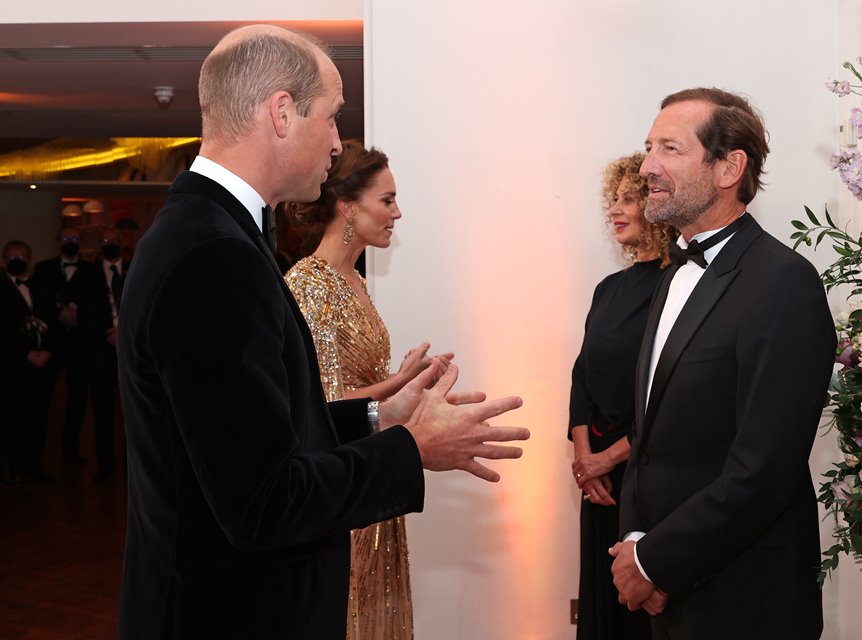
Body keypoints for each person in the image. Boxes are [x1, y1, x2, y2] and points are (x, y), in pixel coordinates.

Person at [116, 24, 528, 640]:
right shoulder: (213, 255)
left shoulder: (212, 232)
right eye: (332, 117)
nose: (338, 143)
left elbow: (248, 437)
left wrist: (376, 422)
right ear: (281, 113)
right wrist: (413, 451)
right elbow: (261, 501)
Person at [609, 88, 836, 640]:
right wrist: (637, 545)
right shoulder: (672, 278)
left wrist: (655, 562)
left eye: (669, 149)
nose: (647, 167)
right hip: (668, 596)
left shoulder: (783, 283)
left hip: (744, 596)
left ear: (729, 167)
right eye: (647, 148)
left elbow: (763, 469)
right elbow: (651, 439)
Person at [284, 140, 445, 639]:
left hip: (374, 465)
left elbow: (355, 386)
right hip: (343, 477)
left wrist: (404, 381)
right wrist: (398, 384)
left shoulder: (353, 278)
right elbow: (322, 408)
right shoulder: (309, 285)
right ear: (347, 205)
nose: (398, 213)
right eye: (387, 200)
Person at [568, 152, 673, 640]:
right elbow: (582, 377)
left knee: (646, 610)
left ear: (655, 204)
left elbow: (672, 398)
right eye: (613, 199)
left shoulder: (678, 288)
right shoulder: (608, 289)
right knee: (603, 608)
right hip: (599, 485)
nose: (615, 209)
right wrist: (585, 460)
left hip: (646, 474)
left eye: (628, 198)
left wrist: (608, 459)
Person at [32, 226, 96, 465]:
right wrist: (60, 312)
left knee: (77, 400)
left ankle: (70, 451)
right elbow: (38, 302)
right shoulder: (43, 269)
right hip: (53, 344)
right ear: (58, 241)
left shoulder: (92, 270)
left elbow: (97, 303)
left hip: (80, 346)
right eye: (66, 238)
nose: (71, 242)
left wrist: (80, 317)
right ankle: (36, 454)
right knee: (42, 398)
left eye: (75, 239)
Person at [0, 240, 58, 486]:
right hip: (11, 366)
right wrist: (25, 353)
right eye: (12, 256)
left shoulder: (41, 287)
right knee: (9, 418)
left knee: (37, 418)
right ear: (3, 261)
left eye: (23, 256)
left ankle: (32, 466)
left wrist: (48, 351)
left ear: (29, 261)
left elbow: (54, 324)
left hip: (42, 367)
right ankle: (7, 469)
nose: (18, 259)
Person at [82, 226, 128, 481]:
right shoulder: (87, 274)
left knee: (135, 411)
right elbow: (85, 314)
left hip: (133, 353)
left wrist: (126, 332)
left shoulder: (137, 268)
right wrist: (107, 333)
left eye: (114, 239)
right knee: (102, 411)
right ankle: (105, 465)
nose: (110, 243)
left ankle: (132, 465)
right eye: (105, 241)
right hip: (101, 352)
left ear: (123, 242)